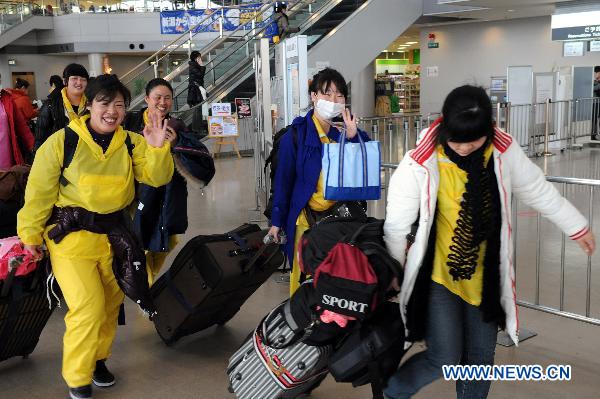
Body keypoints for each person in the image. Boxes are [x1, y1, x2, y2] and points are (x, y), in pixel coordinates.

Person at [382, 85, 596, 399]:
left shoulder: (503, 151)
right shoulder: (422, 159)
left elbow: (538, 191)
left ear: (488, 132)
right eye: (457, 139)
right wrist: (393, 271)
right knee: (444, 357)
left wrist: (577, 225)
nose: (465, 148)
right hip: (439, 276)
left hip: (485, 280)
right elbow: (397, 224)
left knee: (481, 359)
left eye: (474, 140)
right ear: (445, 128)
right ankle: (393, 393)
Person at [17, 74, 174, 399]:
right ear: (89, 105)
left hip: (115, 237)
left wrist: (158, 148)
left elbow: (158, 178)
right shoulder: (62, 142)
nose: (112, 111)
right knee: (88, 306)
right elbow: (38, 193)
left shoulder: (131, 141)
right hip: (71, 240)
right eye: (104, 103)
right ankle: (78, 376)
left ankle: (98, 359)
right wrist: (30, 234)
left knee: (110, 305)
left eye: (119, 104)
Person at [266, 67, 370, 296]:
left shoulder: (346, 132)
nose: (333, 100)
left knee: (335, 280)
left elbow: (364, 169)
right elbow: (283, 181)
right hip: (306, 222)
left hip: (341, 221)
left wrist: (354, 138)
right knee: (305, 280)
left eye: (339, 95)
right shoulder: (295, 135)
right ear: (313, 96)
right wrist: (276, 221)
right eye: (327, 93)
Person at [123, 78, 195, 285]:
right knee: (141, 240)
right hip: (139, 193)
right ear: (146, 99)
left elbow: (194, 158)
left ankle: (150, 278)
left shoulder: (177, 126)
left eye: (167, 98)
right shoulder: (130, 123)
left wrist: (176, 144)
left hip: (169, 193)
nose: (162, 102)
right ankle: (147, 287)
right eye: (157, 97)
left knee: (166, 240)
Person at [36, 63, 89, 150]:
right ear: (65, 81)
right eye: (74, 78)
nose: (79, 82)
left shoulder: (92, 103)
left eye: (83, 79)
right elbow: (40, 137)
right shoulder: (51, 104)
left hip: (86, 153)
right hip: (59, 152)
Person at [0, 89, 35, 167]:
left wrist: (33, 146)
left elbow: (21, 126)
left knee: (8, 177)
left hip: (6, 159)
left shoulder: (7, 100)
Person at [592, 66, 600, 140]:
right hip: (595, 103)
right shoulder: (593, 81)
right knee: (594, 119)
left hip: (598, 102)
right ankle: (593, 135)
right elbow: (593, 89)